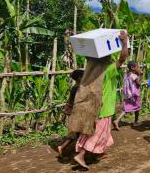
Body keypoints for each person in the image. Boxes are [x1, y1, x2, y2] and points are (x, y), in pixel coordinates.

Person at [69, 30, 129, 170]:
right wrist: (124, 42)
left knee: (100, 131)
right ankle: (81, 155)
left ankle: (99, 153)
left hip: (94, 105)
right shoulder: (108, 68)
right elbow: (122, 58)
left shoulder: (91, 68)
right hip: (104, 107)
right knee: (97, 133)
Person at [57, 69, 84, 157]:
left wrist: (64, 115)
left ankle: (62, 147)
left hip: (74, 113)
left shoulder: (74, 88)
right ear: (80, 78)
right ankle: (79, 153)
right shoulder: (81, 88)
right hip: (79, 114)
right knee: (81, 134)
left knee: (74, 134)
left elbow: (69, 102)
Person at [113, 60, 143, 130]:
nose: (138, 68)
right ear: (133, 68)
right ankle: (135, 122)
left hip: (127, 94)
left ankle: (117, 120)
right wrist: (140, 75)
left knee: (126, 109)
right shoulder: (134, 76)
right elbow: (138, 84)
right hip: (134, 94)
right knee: (137, 107)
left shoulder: (126, 74)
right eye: (137, 67)